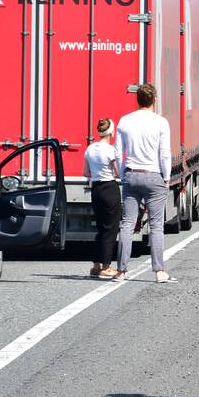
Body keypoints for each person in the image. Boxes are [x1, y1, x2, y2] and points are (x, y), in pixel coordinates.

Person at [114, 83, 176, 283]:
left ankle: (121, 271)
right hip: (153, 175)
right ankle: (159, 271)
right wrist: (166, 177)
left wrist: (124, 173)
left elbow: (117, 153)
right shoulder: (160, 122)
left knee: (127, 224)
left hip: (132, 174)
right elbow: (164, 154)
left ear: (137, 99)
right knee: (156, 226)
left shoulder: (125, 121)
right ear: (154, 100)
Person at [84, 118, 120, 278]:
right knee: (110, 228)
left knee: (100, 228)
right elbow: (118, 172)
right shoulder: (111, 150)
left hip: (96, 189)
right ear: (111, 132)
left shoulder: (90, 149)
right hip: (109, 189)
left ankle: (96, 266)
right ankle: (106, 266)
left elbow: (86, 173)